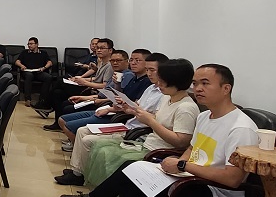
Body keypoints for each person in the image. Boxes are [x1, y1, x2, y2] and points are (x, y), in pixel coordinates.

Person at [60, 64, 258, 197]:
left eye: (205, 83)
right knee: (133, 168)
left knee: (133, 184)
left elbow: (232, 179)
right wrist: (177, 165)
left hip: (214, 193)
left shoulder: (240, 128)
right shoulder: (205, 116)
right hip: (191, 177)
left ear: (226, 88)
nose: (198, 88)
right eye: (195, 83)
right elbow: (192, 148)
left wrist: (183, 166)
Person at [54, 58, 198, 187]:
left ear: (175, 81)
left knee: (98, 147)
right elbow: (151, 114)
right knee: (89, 139)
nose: (158, 83)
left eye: (161, 80)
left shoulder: (186, 108)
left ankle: (91, 183)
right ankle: (81, 174)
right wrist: (130, 110)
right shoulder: (167, 97)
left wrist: (148, 120)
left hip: (149, 142)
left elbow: (181, 142)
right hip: (145, 137)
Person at [48, 49, 152, 132]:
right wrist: (116, 85)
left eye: (137, 60)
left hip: (116, 111)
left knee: (64, 103)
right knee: (59, 93)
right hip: (107, 103)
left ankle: (46, 105)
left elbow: (132, 105)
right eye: (132, 60)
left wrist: (106, 107)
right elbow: (118, 96)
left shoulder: (138, 79)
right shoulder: (133, 78)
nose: (133, 63)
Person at [37, 38, 114, 111]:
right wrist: (80, 79)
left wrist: (85, 82)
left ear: (110, 50)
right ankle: (53, 113)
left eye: (102, 48)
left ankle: (45, 103)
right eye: (98, 48)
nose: (99, 50)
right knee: (57, 92)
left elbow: (104, 85)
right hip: (90, 86)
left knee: (60, 81)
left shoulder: (110, 66)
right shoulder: (101, 62)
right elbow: (96, 78)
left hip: (94, 91)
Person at [15, 37, 53, 107]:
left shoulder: (43, 53)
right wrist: (21, 66)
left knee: (48, 77)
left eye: (31, 44)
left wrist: (44, 68)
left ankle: (42, 99)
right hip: (27, 71)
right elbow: (17, 61)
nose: (29, 45)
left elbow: (50, 62)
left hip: (39, 72)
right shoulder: (24, 52)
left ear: (37, 44)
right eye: (28, 44)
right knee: (29, 76)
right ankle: (28, 99)